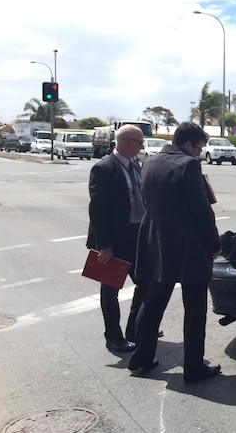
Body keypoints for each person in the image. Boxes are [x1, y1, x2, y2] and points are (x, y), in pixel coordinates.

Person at [128, 123, 222, 383]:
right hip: (187, 244)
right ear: (189, 144)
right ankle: (193, 367)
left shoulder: (150, 161)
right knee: (194, 307)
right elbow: (201, 209)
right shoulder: (188, 165)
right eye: (199, 148)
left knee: (153, 301)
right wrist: (214, 243)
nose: (200, 154)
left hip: (155, 240)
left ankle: (141, 358)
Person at [86, 124, 150, 353]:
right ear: (126, 142)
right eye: (140, 143)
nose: (142, 147)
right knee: (111, 288)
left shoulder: (135, 165)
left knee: (146, 282)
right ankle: (113, 336)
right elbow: (98, 211)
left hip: (136, 234)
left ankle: (136, 328)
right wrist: (104, 245)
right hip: (113, 240)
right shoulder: (103, 169)